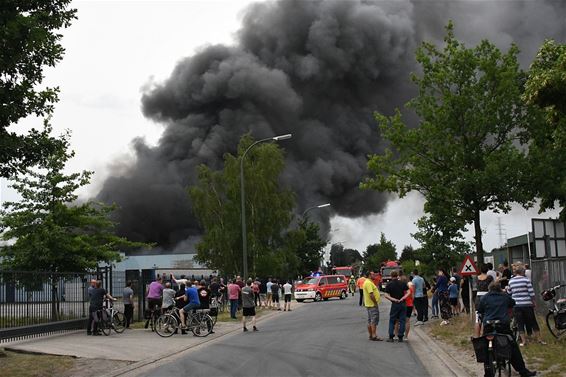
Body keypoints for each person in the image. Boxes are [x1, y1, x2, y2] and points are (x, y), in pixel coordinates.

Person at [476, 281, 537, 377]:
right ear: (499, 289)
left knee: (486, 346)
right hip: (502, 326)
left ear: (489, 289)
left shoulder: (484, 298)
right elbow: (513, 303)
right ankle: (523, 371)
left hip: (488, 326)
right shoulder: (504, 296)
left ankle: (487, 372)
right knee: (512, 346)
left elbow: (480, 310)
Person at [507, 266, 545, 346]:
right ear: (522, 272)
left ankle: (523, 341)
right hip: (527, 304)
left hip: (517, 305)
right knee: (533, 321)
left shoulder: (511, 281)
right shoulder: (526, 280)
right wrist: (534, 302)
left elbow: (509, 292)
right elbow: (531, 293)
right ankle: (539, 339)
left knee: (520, 323)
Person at [384, 271, 410, 342]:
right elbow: (409, 292)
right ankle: (400, 336)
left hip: (395, 304)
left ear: (391, 276)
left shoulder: (389, 284)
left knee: (392, 320)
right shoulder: (402, 283)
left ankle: (391, 336)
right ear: (397, 275)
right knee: (402, 320)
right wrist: (403, 298)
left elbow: (386, 295)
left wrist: (393, 299)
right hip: (402, 303)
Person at [474, 264, 494, 337]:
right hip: (487, 297)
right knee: (486, 317)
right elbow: (492, 286)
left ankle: (477, 336)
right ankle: (485, 335)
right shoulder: (489, 278)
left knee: (477, 319)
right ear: (487, 270)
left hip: (478, 297)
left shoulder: (477, 278)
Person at [363, 270, 382, 341]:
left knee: (370, 320)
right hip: (372, 304)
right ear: (369, 276)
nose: (374, 276)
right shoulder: (368, 283)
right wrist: (375, 302)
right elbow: (371, 294)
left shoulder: (369, 282)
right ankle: (374, 335)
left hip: (369, 304)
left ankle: (371, 335)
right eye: (373, 275)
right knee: (374, 320)